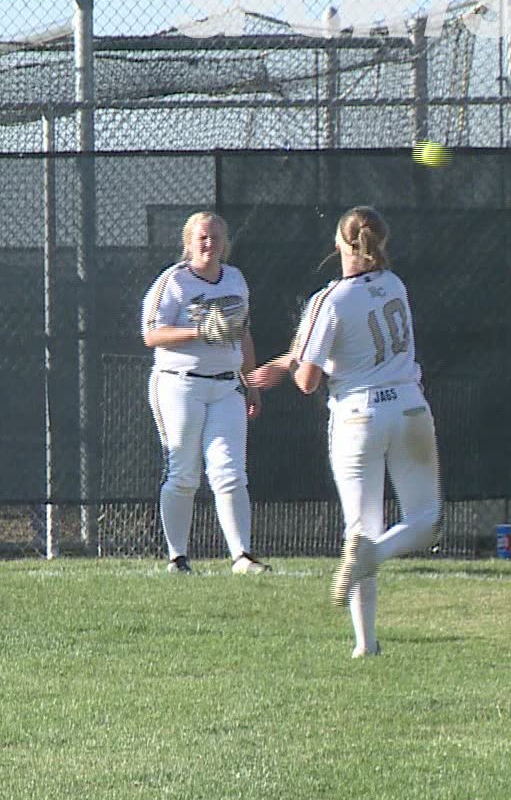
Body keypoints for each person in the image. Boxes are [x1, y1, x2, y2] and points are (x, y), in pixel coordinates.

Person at [246, 206, 441, 658]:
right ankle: (366, 624)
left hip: (358, 416)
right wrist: (290, 358)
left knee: (361, 531)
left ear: (339, 243)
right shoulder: (395, 284)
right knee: (423, 521)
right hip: (409, 408)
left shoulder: (329, 299)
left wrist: (291, 365)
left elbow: (309, 380)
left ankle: (364, 639)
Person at [140, 211, 270, 575]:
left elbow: (243, 333)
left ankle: (241, 556)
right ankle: (177, 557)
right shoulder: (174, 282)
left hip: (226, 385)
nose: (209, 243)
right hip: (179, 383)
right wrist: (199, 333)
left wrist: (252, 383)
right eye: (202, 237)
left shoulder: (235, 279)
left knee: (230, 471)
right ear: (189, 243)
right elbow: (151, 335)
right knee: (183, 472)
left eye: (215, 237)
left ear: (225, 242)